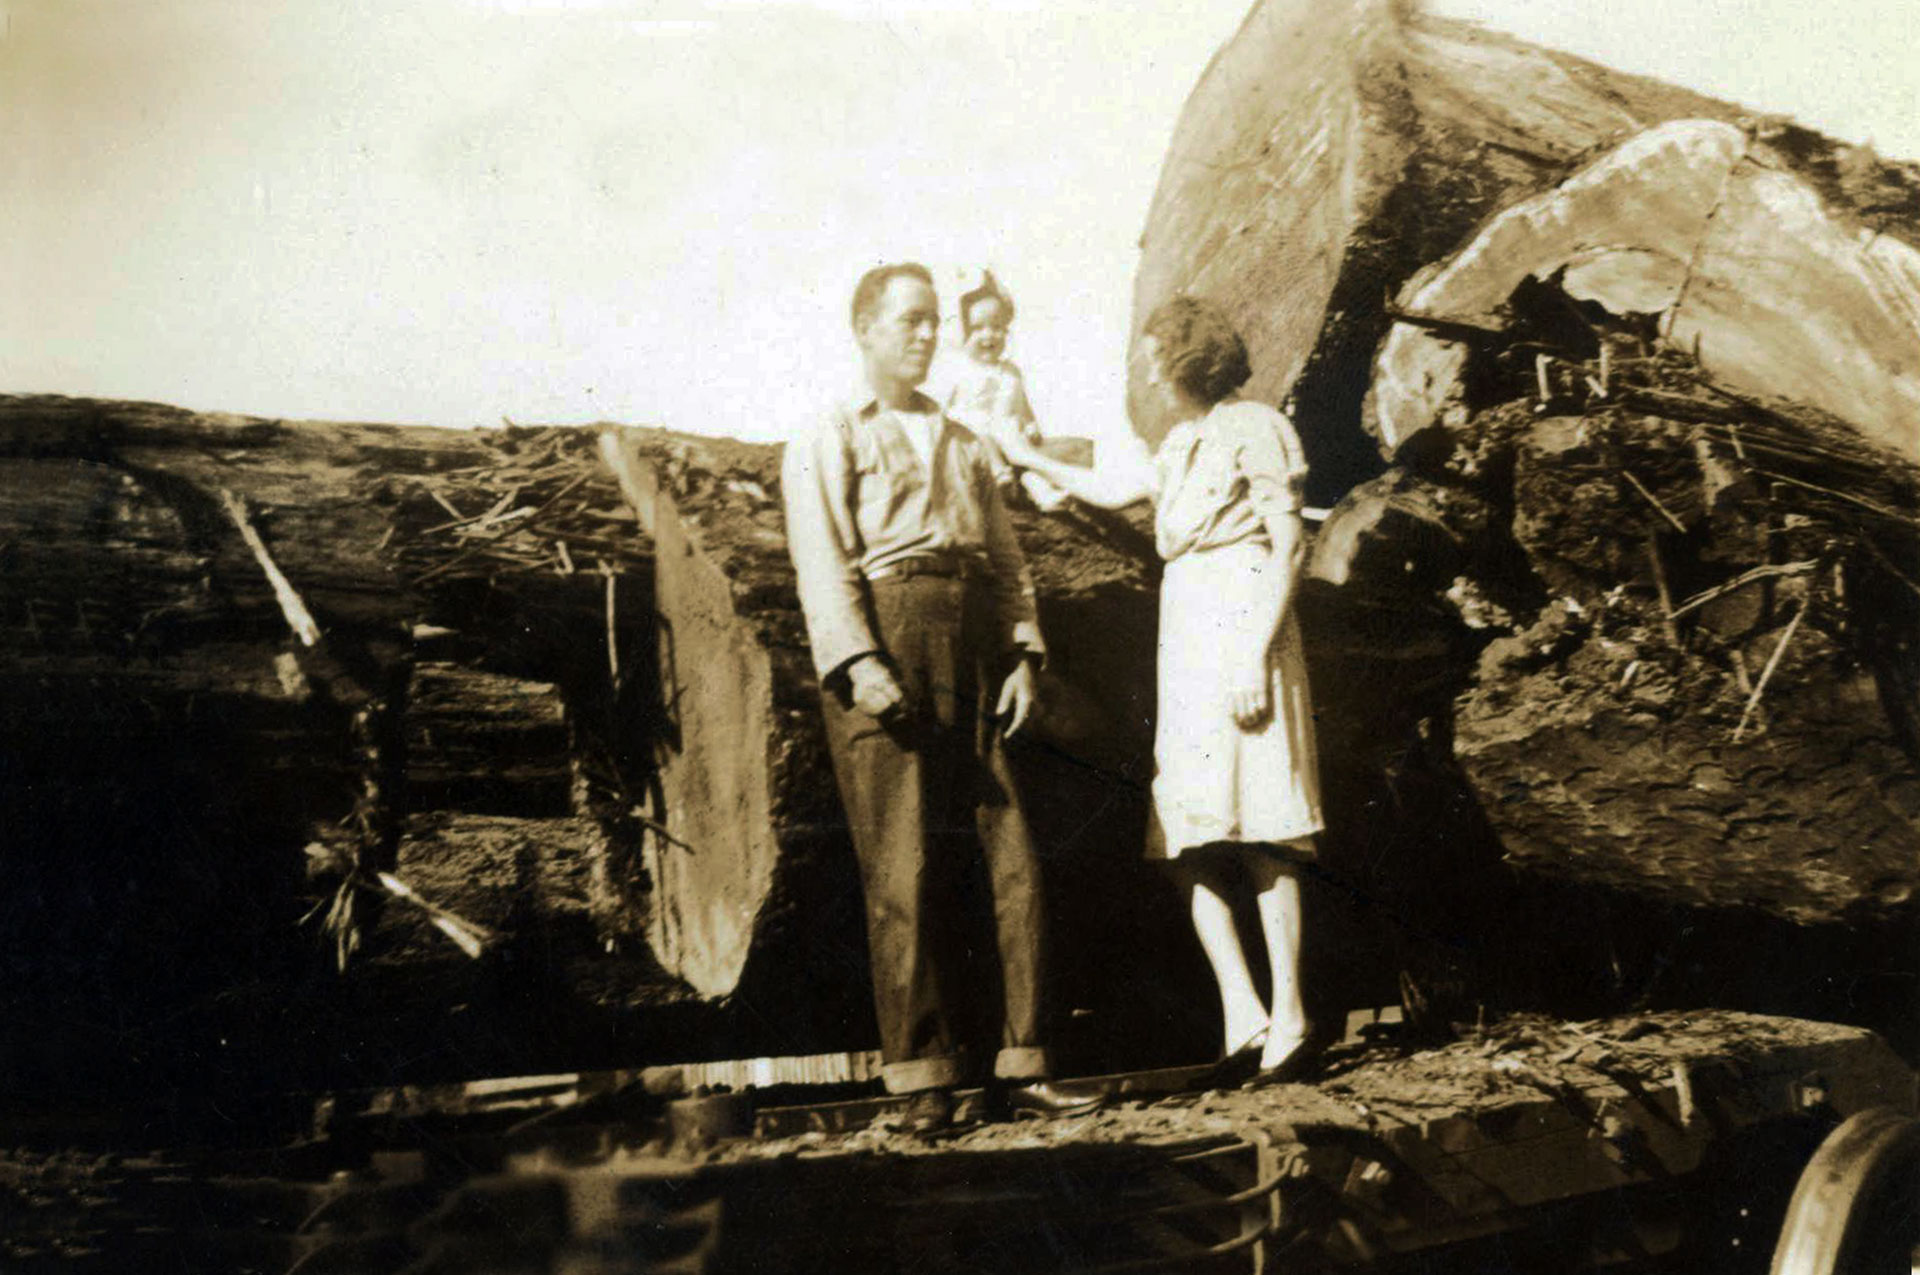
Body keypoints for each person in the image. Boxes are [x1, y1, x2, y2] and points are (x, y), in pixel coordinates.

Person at [781, 262, 1094, 1132]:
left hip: (976, 645)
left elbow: (1006, 564)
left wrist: (1024, 656)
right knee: (905, 866)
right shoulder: (829, 433)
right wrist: (858, 662)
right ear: (866, 329)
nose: (926, 335)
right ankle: (924, 1080)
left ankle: (1024, 1062)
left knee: (1012, 855)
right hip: (888, 633)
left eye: (932, 323)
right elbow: (821, 561)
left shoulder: (964, 442)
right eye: (908, 321)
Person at [997, 294, 1327, 1085]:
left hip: (1247, 623)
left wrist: (1254, 653)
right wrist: (1025, 454)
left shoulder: (1255, 427)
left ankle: (1291, 1010)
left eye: (1154, 356)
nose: (1146, 369)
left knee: (1267, 823)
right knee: (1185, 829)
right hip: (1189, 639)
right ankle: (1241, 1008)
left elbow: (1288, 544)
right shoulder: (1180, 442)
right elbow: (1115, 488)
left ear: (1185, 357)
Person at [941, 270, 1068, 511]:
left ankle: (1045, 494)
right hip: (973, 437)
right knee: (984, 439)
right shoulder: (959, 369)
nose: (988, 335)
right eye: (977, 328)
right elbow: (942, 408)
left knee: (1030, 467)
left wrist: (1031, 425)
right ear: (962, 333)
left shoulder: (1011, 371)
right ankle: (1000, 478)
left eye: (996, 327)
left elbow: (1022, 405)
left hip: (1009, 437)